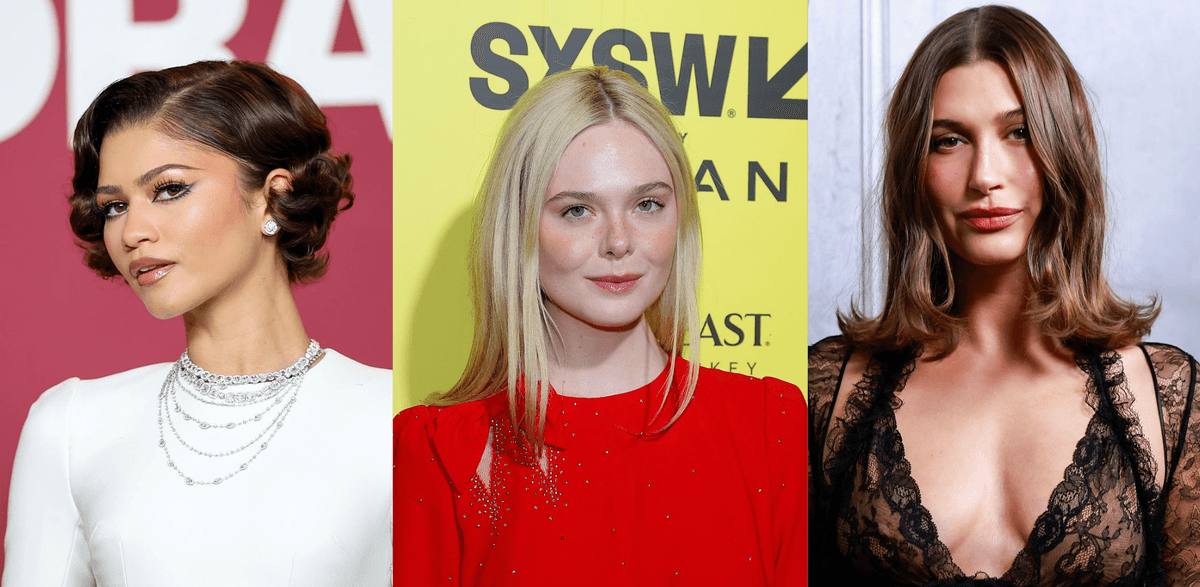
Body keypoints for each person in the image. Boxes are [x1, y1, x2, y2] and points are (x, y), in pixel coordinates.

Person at [809, 5, 1198, 586]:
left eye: (1019, 133)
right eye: (949, 141)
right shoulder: (831, 389)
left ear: (1064, 150)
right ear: (914, 168)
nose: (985, 175)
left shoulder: (1167, 400)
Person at [395, 66, 804, 586]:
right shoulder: (437, 453)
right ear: (520, 226)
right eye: (578, 211)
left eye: (647, 204)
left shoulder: (772, 427)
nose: (618, 241)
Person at [3, 61, 391, 586]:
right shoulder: (71, 429)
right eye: (115, 205)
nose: (133, 231)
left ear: (272, 197)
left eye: (168, 189)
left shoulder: (393, 421)